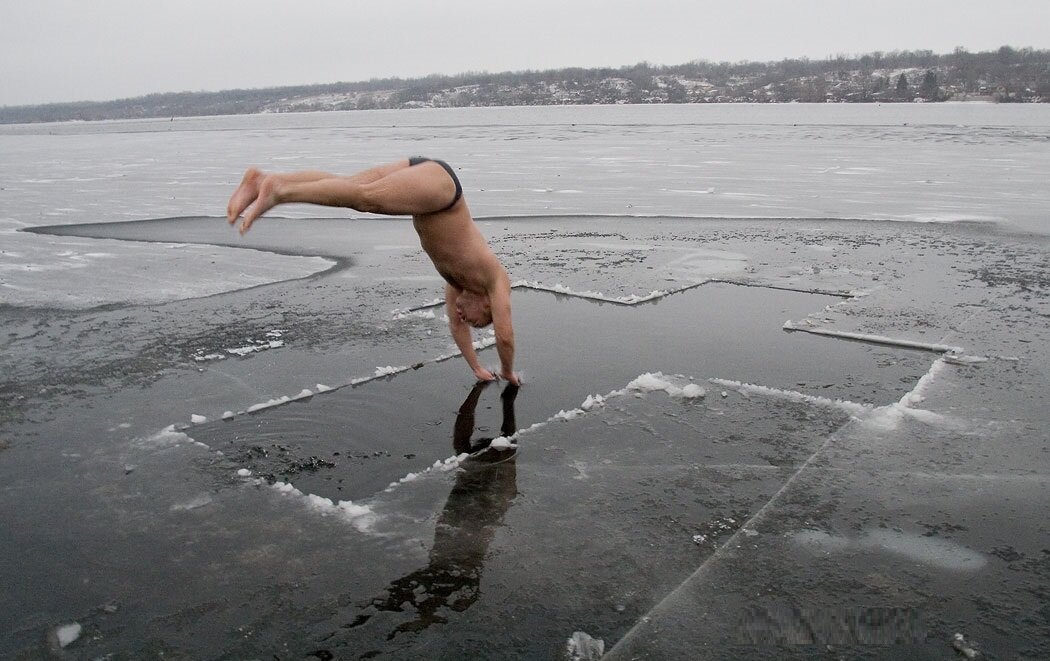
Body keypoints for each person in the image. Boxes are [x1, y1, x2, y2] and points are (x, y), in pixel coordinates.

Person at [226, 157, 519, 385]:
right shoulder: (494, 279)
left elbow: (456, 327)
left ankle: (263, 181)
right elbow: (505, 336)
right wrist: (507, 371)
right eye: (478, 322)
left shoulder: (457, 282)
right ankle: (279, 192)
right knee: (366, 198)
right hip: (443, 191)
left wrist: (477, 367)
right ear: (487, 305)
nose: (465, 319)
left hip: (427, 182)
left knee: (351, 185)